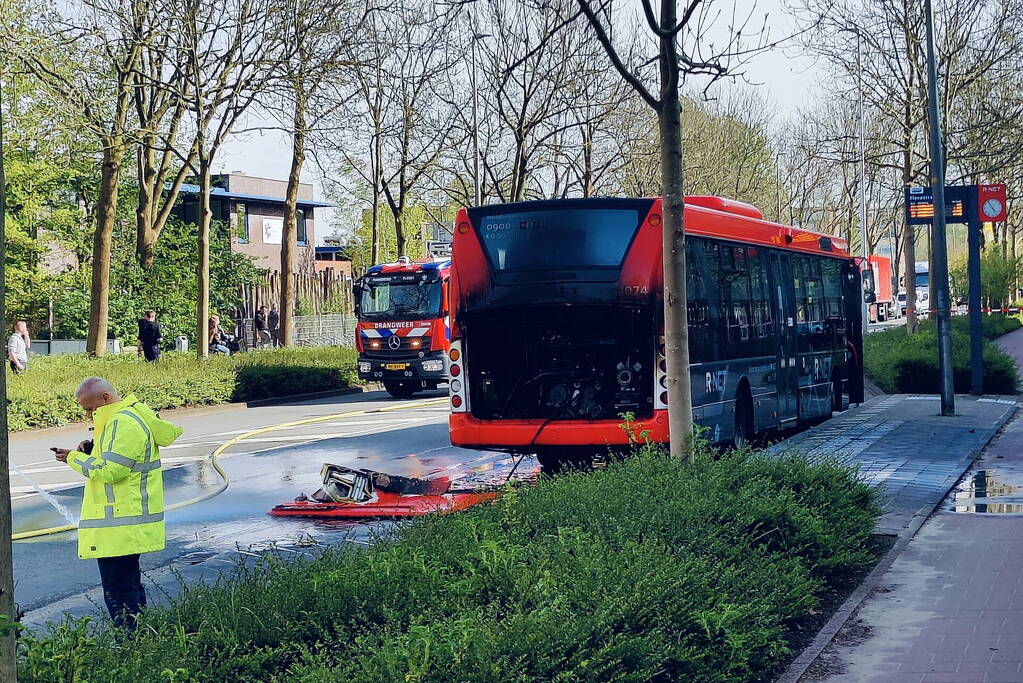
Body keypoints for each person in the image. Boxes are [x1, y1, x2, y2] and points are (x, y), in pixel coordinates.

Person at [53, 377, 182, 629]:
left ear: (105, 398)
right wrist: (92, 452)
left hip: (120, 524)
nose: (89, 415)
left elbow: (112, 472)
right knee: (128, 588)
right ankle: (141, 641)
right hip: (125, 522)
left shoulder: (122, 423)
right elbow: (119, 462)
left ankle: (132, 648)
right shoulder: (123, 419)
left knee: (120, 594)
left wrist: (74, 458)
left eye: (90, 409)